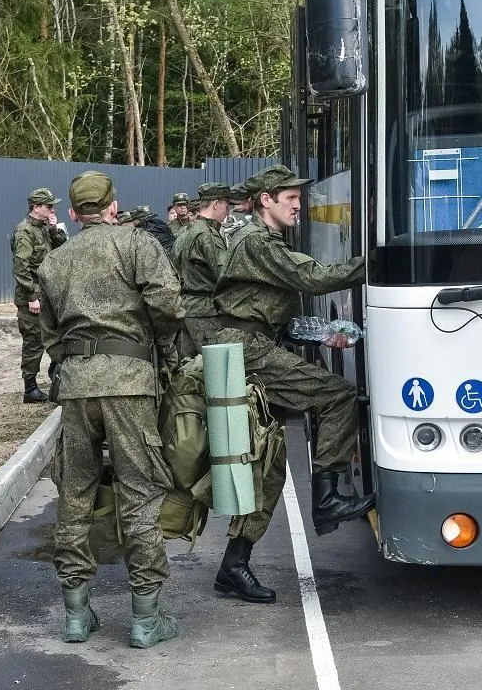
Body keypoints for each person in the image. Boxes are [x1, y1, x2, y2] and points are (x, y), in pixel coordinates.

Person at [208, 164, 374, 603]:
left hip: (251, 346)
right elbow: (312, 277)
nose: (299, 204)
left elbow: (268, 312)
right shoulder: (258, 241)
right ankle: (327, 497)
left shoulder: (262, 241)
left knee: (267, 465)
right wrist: (375, 260)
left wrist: (321, 333)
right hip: (247, 350)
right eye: (290, 198)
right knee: (336, 396)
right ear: (266, 200)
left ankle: (233, 565)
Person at [35, 170, 183, 649]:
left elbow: (49, 333)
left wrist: (71, 362)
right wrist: (161, 347)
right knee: (138, 492)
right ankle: (145, 617)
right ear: (114, 206)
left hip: (76, 388)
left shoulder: (54, 262)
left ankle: (76, 615)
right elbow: (167, 303)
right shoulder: (136, 244)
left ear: (75, 214)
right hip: (130, 382)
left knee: (74, 495)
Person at [12, 188, 68, 403]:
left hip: (48, 293)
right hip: (32, 296)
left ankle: (55, 376)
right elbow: (21, 268)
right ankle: (30, 388)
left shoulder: (44, 227)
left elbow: (62, 249)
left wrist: (54, 230)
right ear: (36, 207)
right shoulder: (24, 231)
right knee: (33, 341)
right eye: (49, 206)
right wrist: (32, 296)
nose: (52, 209)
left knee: (56, 335)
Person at [171, 181, 232, 358]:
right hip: (205, 313)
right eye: (226, 206)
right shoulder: (208, 235)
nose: (226, 212)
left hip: (187, 310)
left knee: (188, 371)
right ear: (216, 204)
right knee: (217, 371)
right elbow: (225, 275)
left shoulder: (185, 233)